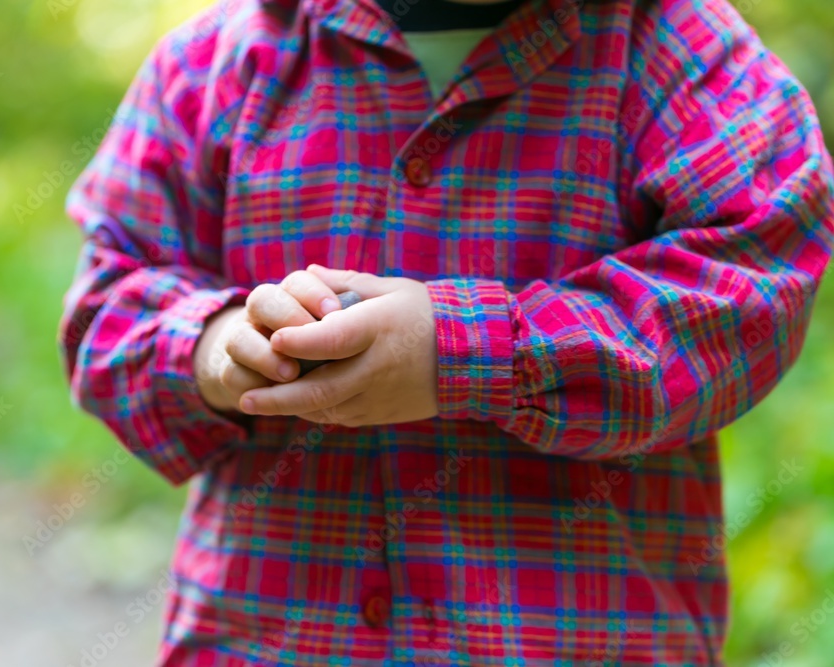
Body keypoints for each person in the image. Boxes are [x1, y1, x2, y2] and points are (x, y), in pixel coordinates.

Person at [58, 0, 834, 663]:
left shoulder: (678, 53)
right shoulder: (218, 65)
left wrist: (469, 349)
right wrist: (219, 344)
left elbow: (750, 286)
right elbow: (108, 301)